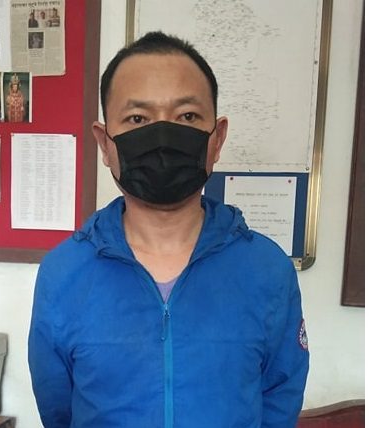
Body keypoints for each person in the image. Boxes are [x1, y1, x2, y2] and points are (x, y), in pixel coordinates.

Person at [28, 31, 309, 428]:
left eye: (187, 117)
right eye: (137, 119)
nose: (162, 136)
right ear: (105, 143)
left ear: (217, 139)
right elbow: (59, 410)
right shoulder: (63, 273)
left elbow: (280, 399)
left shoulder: (267, 269)